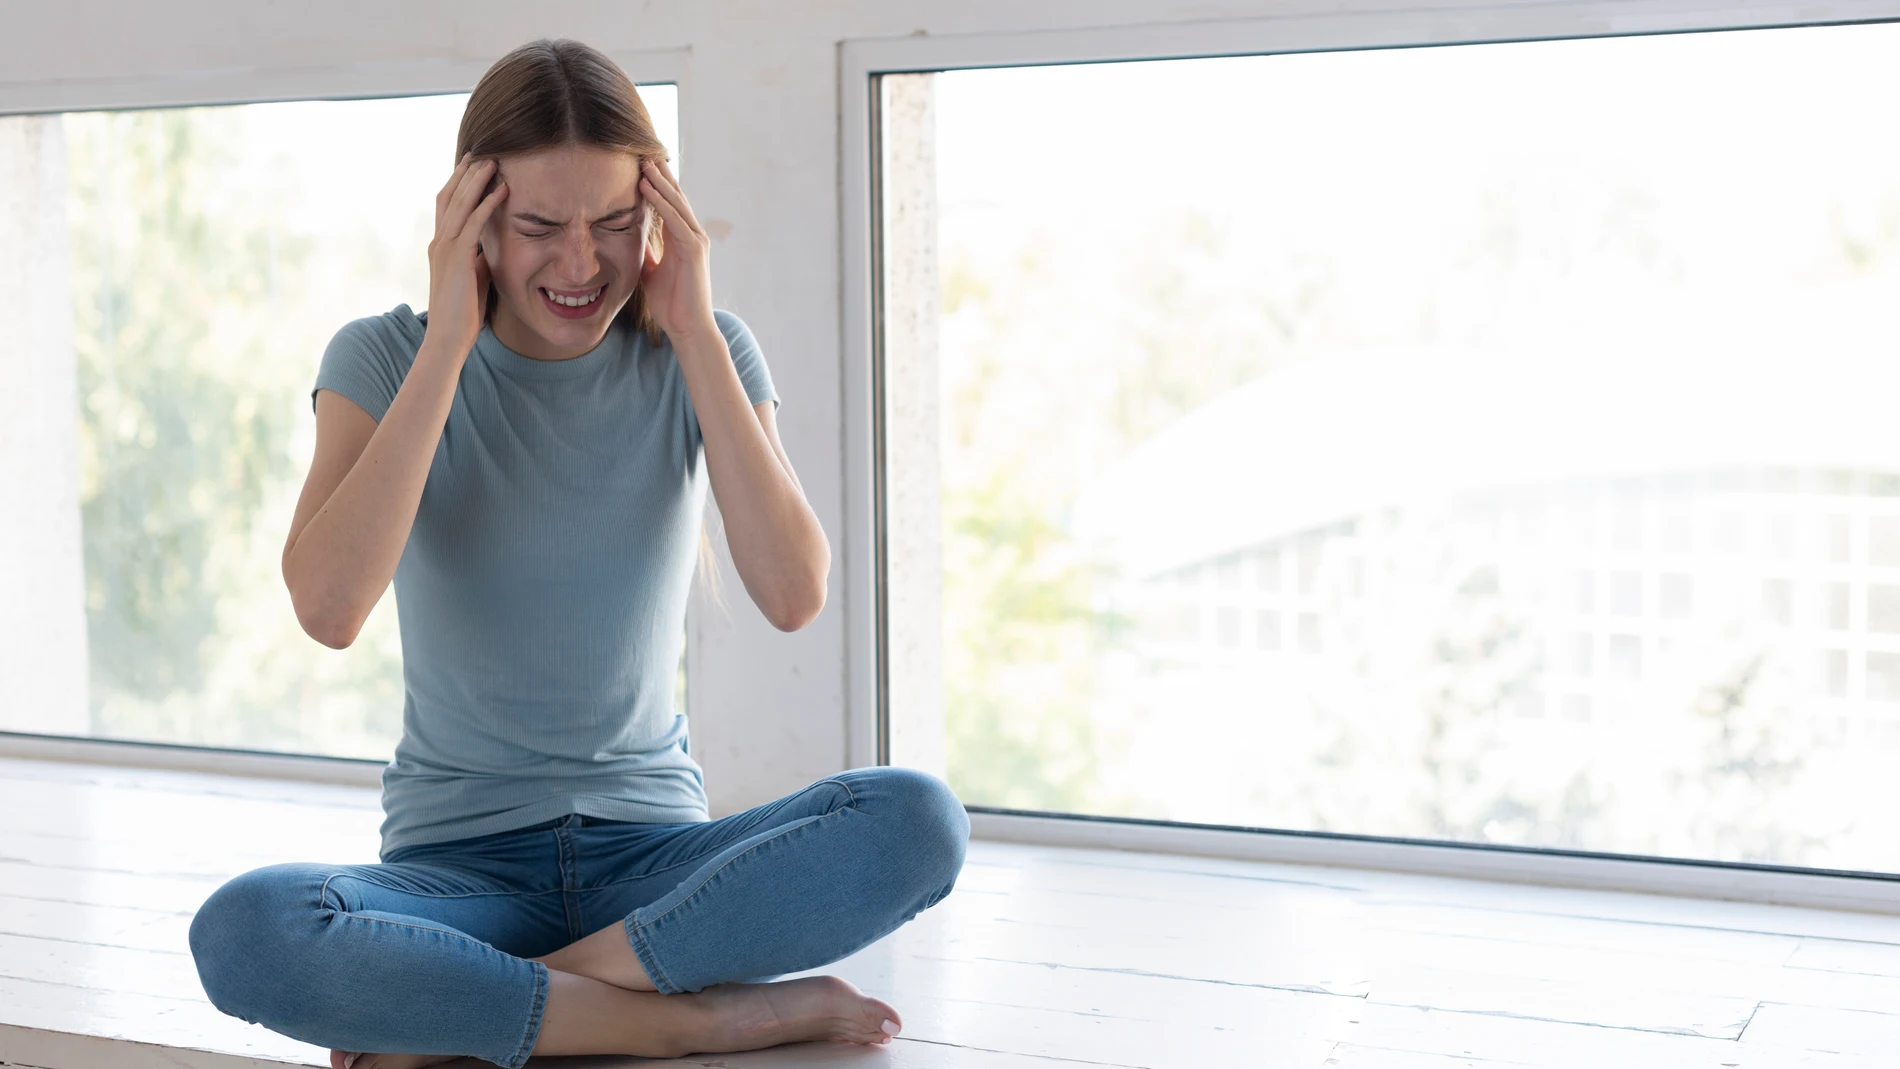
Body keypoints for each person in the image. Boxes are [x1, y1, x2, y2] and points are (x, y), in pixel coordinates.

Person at [185, 38, 968, 1069]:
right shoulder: (383, 355)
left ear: (660, 216)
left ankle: (486, 1003)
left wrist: (693, 330)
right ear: (471, 219)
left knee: (918, 820)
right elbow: (328, 608)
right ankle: (683, 1016)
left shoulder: (706, 347)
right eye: (538, 227)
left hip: (656, 860)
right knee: (249, 930)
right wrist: (449, 339)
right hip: (457, 874)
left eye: (614, 223)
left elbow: (793, 592)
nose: (581, 264)